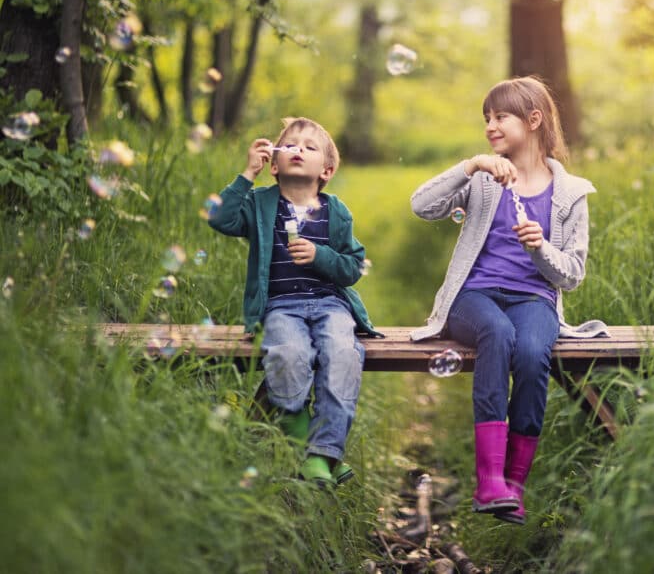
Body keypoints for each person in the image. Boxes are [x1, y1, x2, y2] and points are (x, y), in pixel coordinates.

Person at [410, 77, 607, 525]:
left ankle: (513, 489)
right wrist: (470, 166)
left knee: (535, 352)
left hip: (534, 297)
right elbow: (421, 205)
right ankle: (488, 482)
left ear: (534, 120)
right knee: (497, 333)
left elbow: (572, 275)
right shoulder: (483, 178)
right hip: (472, 297)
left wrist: (541, 248)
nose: (491, 127)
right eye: (487, 119)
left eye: (500, 117)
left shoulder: (571, 193)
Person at [208, 116, 380, 487]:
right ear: (274, 163)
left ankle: (324, 452)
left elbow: (352, 267)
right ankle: (310, 449)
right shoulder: (259, 204)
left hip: (331, 305)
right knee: (287, 354)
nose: (298, 149)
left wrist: (320, 257)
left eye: (310, 146)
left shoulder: (336, 212)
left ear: (327, 170)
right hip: (281, 306)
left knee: (343, 355)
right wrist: (246, 174)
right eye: (291, 145)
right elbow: (219, 218)